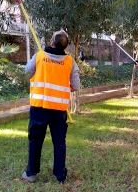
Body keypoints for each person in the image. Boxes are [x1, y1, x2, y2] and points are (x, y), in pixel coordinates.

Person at [22, 30, 80, 184]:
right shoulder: (70, 62)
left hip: (39, 108)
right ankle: (60, 175)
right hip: (59, 111)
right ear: (65, 46)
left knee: (35, 140)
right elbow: (76, 85)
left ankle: (31, 173)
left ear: (51, 42)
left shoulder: (39, 56)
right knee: (59, 142)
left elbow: (27, 72)